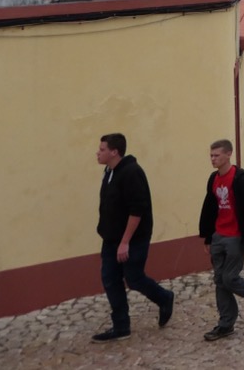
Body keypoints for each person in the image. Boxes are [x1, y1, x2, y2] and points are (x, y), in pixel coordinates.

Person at [92, 133, 174, 342]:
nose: (97, 153)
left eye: (102, 149)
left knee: (134, 278)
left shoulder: (131, 173)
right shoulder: (109, 172)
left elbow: (137, 210)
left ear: (114, 152)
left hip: (133, 239)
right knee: (110, 279)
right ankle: (121, 326)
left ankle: (164, 298)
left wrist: (125, 242)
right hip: (111, 238)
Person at [198, 139, 244, 341]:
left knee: (230, 278)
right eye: (211, 155)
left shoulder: (241, 179)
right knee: (220, 281)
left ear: (228, 155)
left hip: (235, 238)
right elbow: (209, 207)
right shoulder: (213, 178)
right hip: (218, 236)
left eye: (217, 155)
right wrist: (207, 236)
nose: (213, 159)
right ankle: (225, 324)